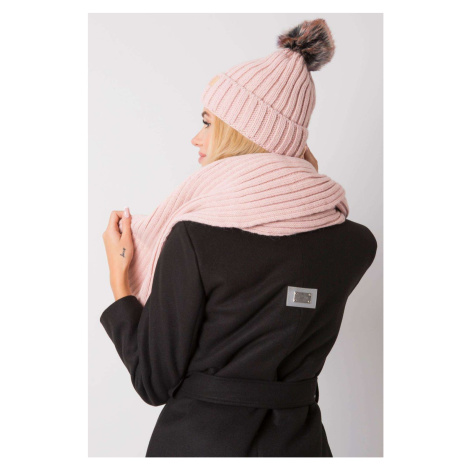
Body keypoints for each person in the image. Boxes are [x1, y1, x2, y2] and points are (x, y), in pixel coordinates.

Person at [100, 18, 378, 457]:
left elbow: (153, 382)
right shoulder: (355, 244)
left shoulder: (195, 239)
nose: (196, 137)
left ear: (244, 134)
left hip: (198, 445)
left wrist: (120, 283)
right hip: (301, 445)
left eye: (208, 123)